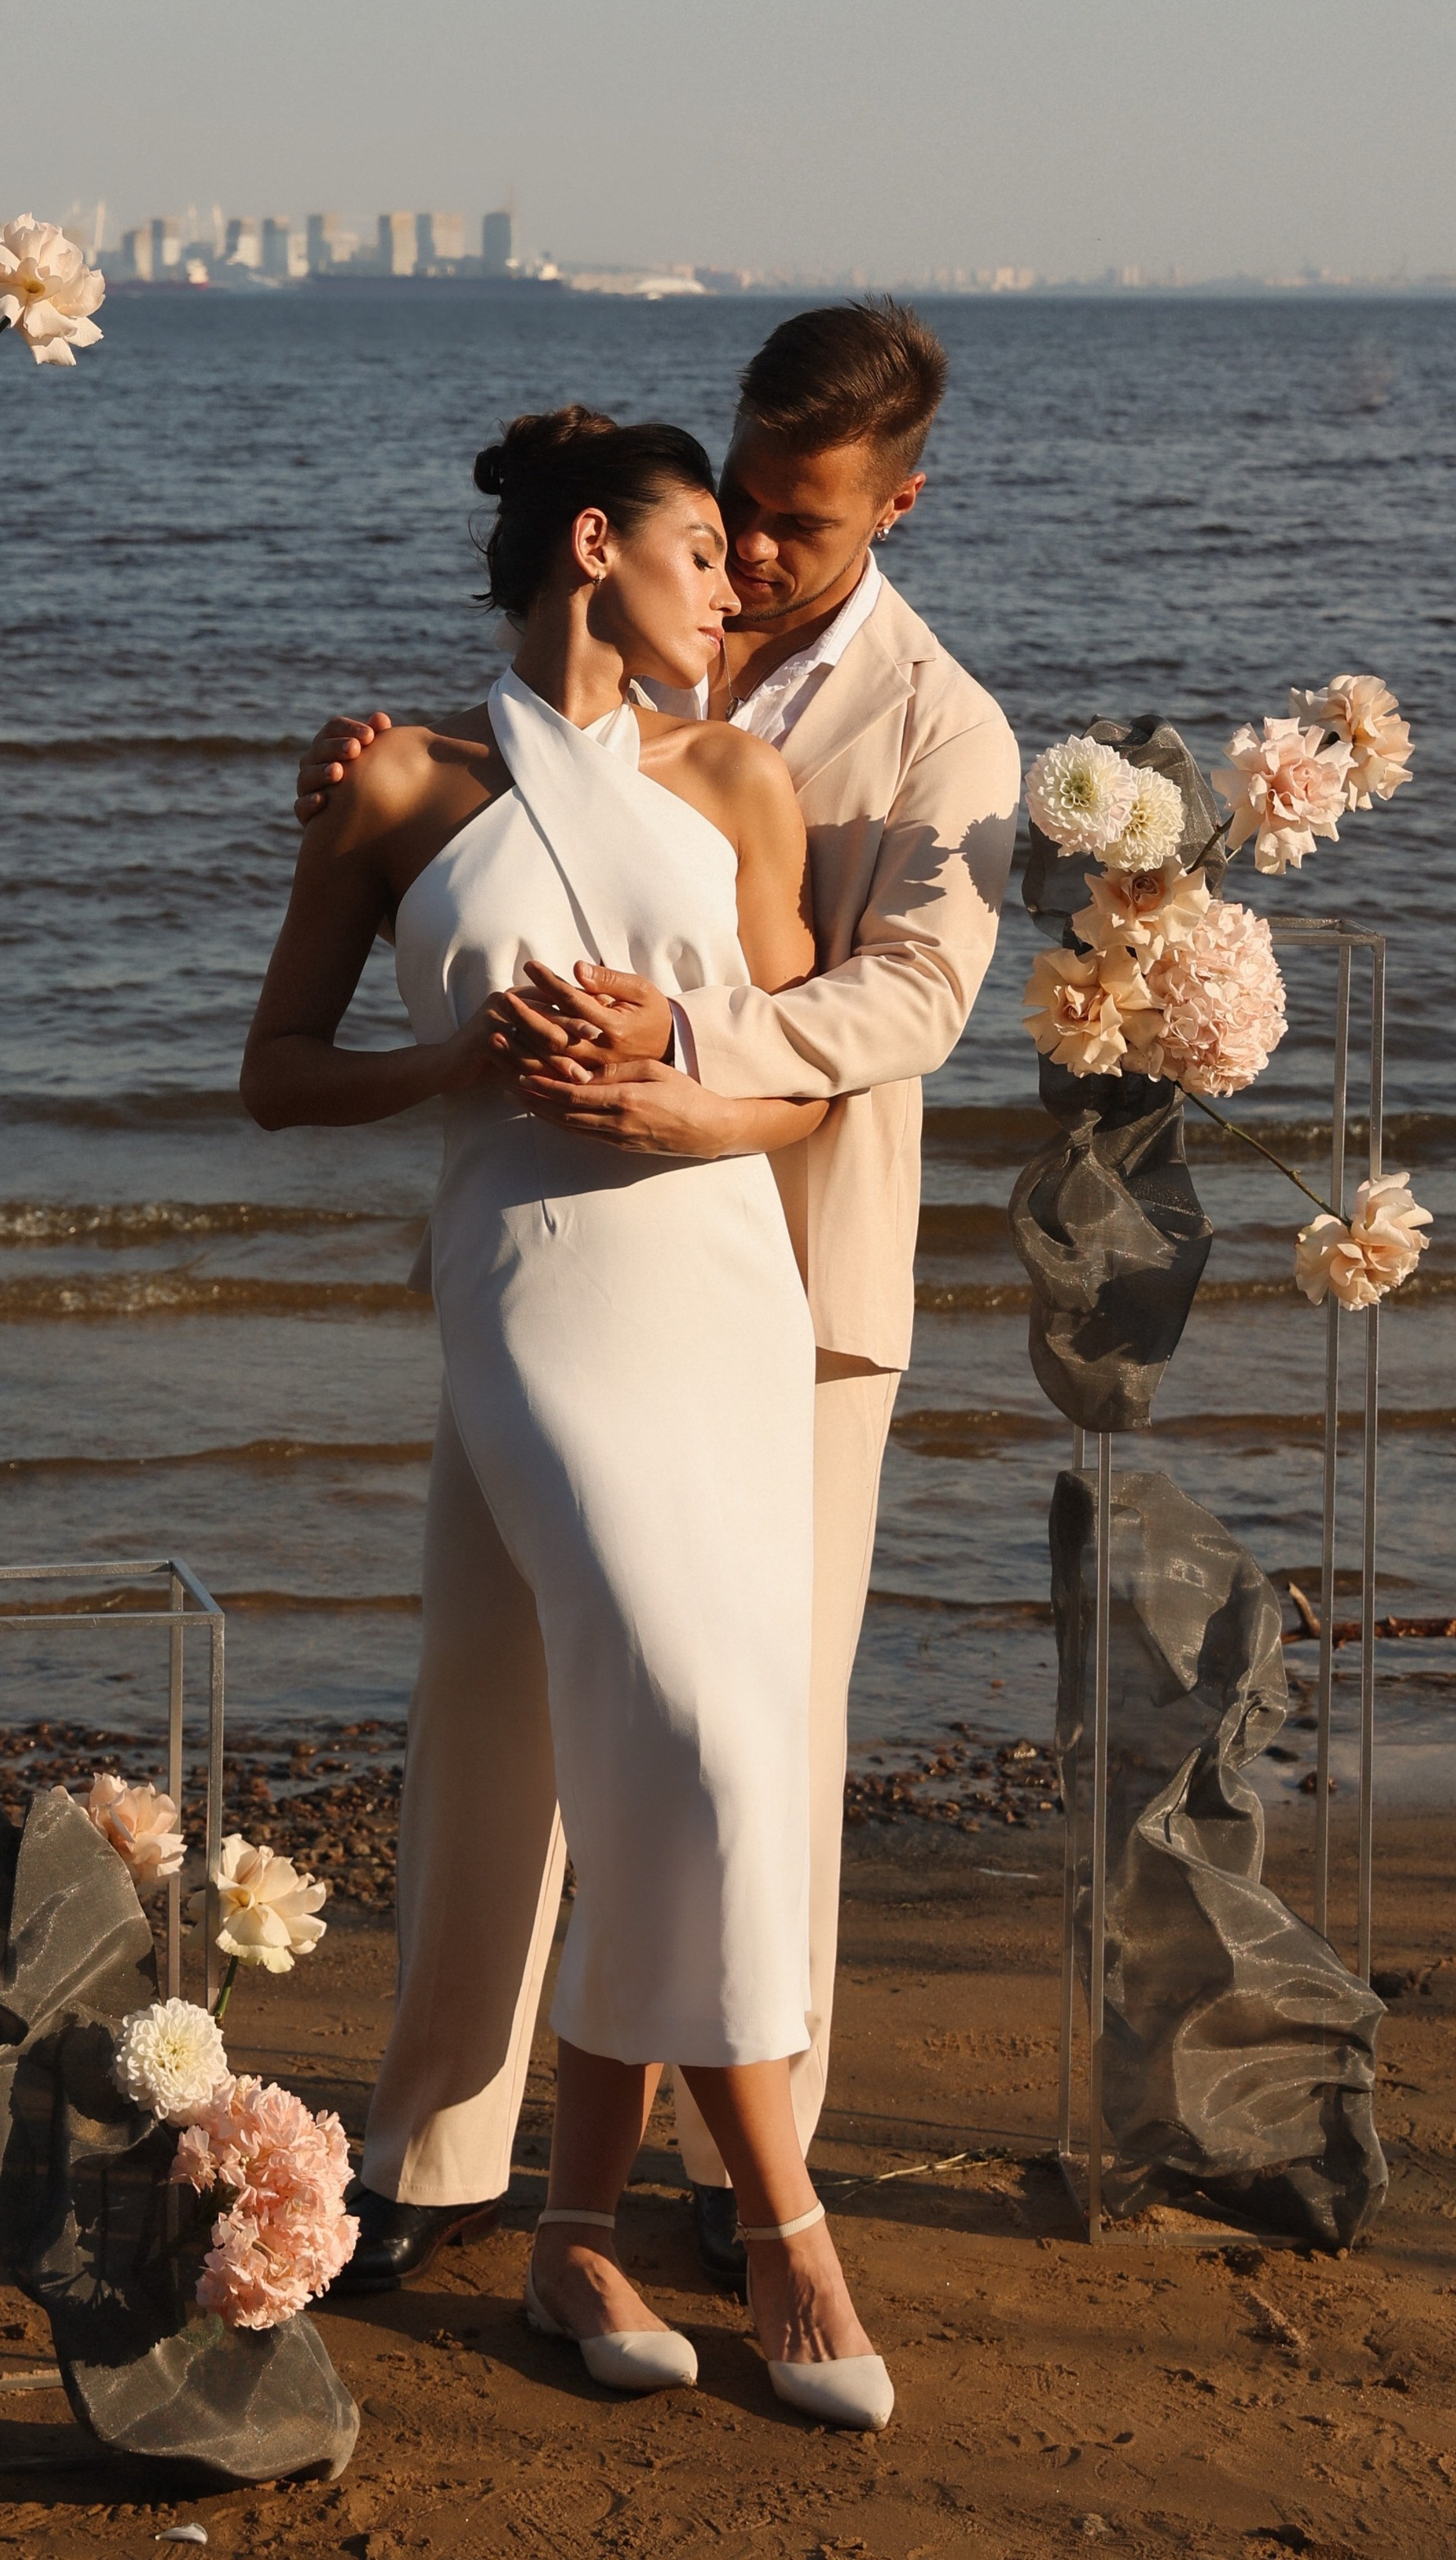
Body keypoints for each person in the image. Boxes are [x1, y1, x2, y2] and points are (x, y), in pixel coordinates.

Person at [295, 299, 1021, 2297]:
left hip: (789, 1284)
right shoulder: (639, 611)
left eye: (799, 517)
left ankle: (727, 2163)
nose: (760, 551)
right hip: (543, 1272)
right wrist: (370, 802)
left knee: (743, 1731)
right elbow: (469, 826)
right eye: (742, 505)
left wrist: (685, 1038)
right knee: (486, 1705)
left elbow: (913, 998)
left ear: (897, 502)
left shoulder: (939, 726)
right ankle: (435, 2145)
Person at [244, 407, 893, 2427]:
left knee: (689, 1728)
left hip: (717, 1278)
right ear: (595, 545)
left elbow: (808, 1082)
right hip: (531, 1293)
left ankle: (577, 2229)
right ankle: (784, 2219)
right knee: (684, 1720)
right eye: (707, 554)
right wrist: (450, 1063)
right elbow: (274, 1070)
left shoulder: (742, 779)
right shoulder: (395, 788)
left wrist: (682, 1079)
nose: (737, 588)